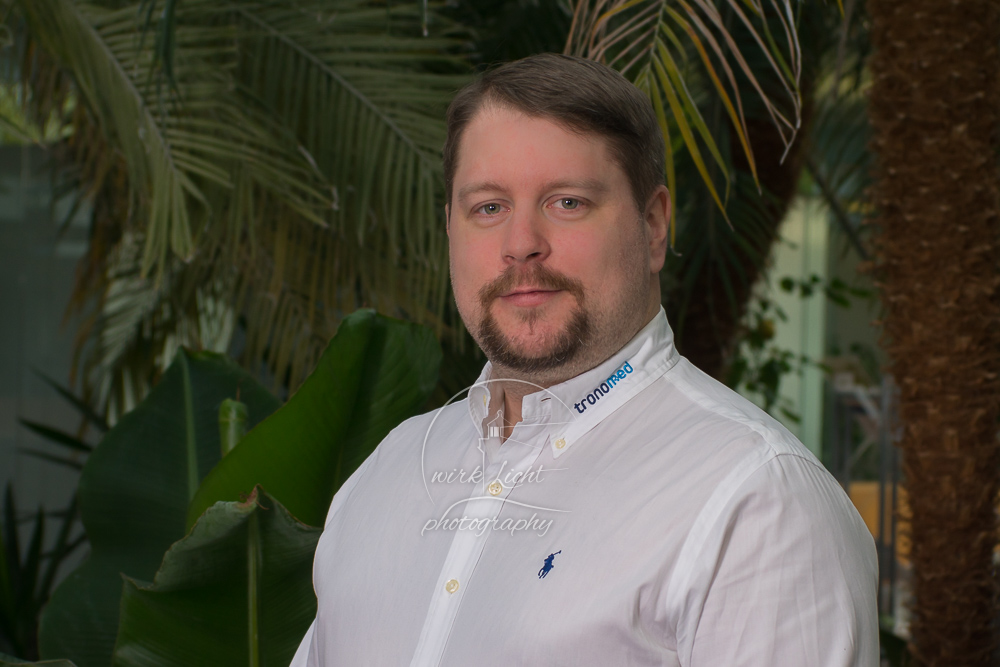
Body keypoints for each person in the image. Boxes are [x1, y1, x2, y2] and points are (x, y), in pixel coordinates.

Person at [290, 53, 878, 666]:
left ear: (654, 226)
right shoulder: (385, 474)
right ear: (450, 229)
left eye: (566, 202)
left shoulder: (757, 503)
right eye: (488, 207)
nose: (521, 245)